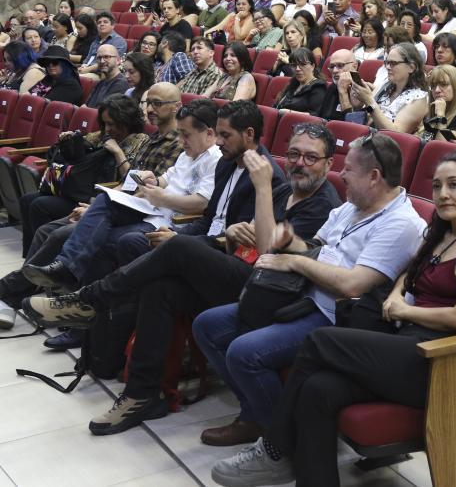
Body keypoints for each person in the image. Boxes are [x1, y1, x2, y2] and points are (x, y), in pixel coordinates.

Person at [211, 149, 456, 486]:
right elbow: (406, 275)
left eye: (454, 185)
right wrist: (397, 294)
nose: (443, 194)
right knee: (318, 389)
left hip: (444, 361)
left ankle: (275, 445)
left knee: (319, 340)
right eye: (438, 185)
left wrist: (404, 309)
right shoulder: (441, 235)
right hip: (406, 344)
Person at [21, 102, 310, 435]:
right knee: (158, 285)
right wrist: (180, 234)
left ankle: (89, 301)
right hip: (208, 251)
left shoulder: (273, 181)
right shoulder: (228, 165)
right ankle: (143, 394)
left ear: (249, 134)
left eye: (226, 135)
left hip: (242, 270)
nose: (218, 142)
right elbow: (208, 220)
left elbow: (261, 250)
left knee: (174, 246)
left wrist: (187, 239)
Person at [22, 99, 223, 292]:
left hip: (169, 221)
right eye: (180, 133)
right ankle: (66, 268)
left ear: (209, 133)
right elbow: (167, 179)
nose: (181, 140)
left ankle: (79, 297)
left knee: (96, 239)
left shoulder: (215, 159)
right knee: (105, 200)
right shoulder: (186, 154)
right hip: (151, 209)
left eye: (186, 135)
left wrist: (162, 198)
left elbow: (202, 203)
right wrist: (153, 180)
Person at [350, 43, 428, 135]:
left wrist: (369, 101)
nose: (387, 67)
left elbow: (396, 134)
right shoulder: (385, 85)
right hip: (368, 138)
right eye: (387, 62)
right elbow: (367, 115)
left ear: (411, 67)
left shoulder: (418, 99)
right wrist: (361, 100)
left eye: (393, 63)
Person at [421, 65, 456, 142]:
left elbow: (442, 146)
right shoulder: (431, 109)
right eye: (433, 86)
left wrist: (440, 116)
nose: (437, 90)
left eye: (444, 84)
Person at [273, 48, 325, 115]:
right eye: (294, 65)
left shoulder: (318, 87)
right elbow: (277, 105)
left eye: (302, 64)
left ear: (313, 66)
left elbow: (314, 115)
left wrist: (289, 113)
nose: (297, 69)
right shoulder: (293, 83)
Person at [78, 11, 128, 80]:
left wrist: (88, 69)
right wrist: (83, 66)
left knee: (76, 78)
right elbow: (88, 58)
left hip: (101, 73)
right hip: (87, 70)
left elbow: (111, 62)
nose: (101, 24)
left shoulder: (119, 41)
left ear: (112, 25)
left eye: (105, 22)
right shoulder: (95, 41)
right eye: (99, 22)